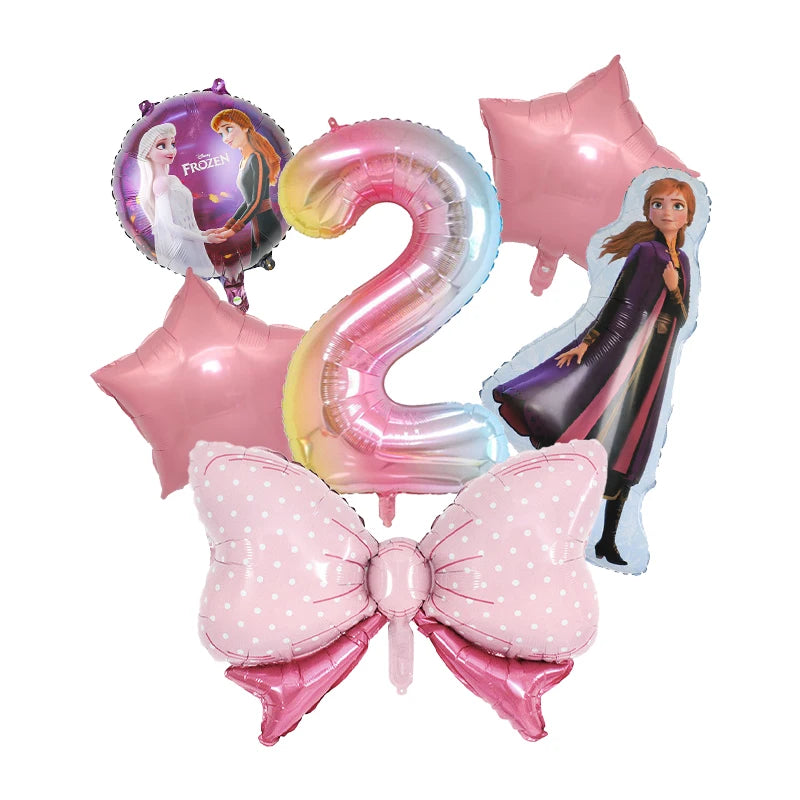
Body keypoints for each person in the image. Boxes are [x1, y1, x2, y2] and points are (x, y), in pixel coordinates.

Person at [493, 178, 696, 566]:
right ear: (648, 211)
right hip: (625, 352)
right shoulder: (645, 253)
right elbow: (619, 301)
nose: (667, 212)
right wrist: (588, 342)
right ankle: (551, 523)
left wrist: (673, 288)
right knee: (595, 425)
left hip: (655, 361)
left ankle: (607, 540)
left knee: (633, 438)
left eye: (677, 206)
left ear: (688, 216)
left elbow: (682, 317)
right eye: (658, 204)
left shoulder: (681, 262)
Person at [136, 123, 223, 278]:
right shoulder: (160, 184)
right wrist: (205, 238)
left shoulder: (171, 179)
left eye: (173, 144)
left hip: (192, 244)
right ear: (147, 152)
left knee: (204, 278)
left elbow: (183, 220)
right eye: (162, 146)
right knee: (199, 279)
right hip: (184, 248)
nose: (171, 150)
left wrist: (202, 233)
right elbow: (169, 226)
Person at [209, 109, 283, 268]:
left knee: (256, 260)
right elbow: (248, 201)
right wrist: (227, 226)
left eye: (228, 129)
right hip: (257, 229)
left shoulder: (257, 158)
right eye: (221, 134)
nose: (225, 138)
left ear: (245, 127)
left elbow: (256, 202)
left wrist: (233, 230)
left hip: (267, 227)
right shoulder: (244, 160)